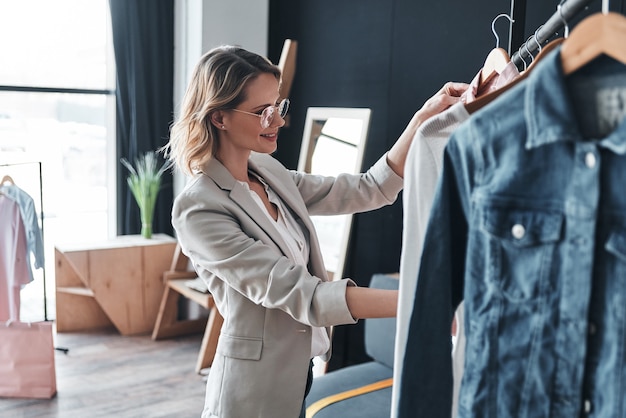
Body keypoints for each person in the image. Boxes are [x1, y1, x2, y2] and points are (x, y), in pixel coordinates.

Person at [162, 45, 468, 418]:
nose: (277, 121)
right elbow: (307, 297)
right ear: (219, 117)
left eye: (278, 106)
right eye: (262, 112)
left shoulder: (268, 172)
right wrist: (420, 301)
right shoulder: (199, 208)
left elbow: (369, 187)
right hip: (252, 392)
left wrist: (422, 120)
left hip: (299, 373)